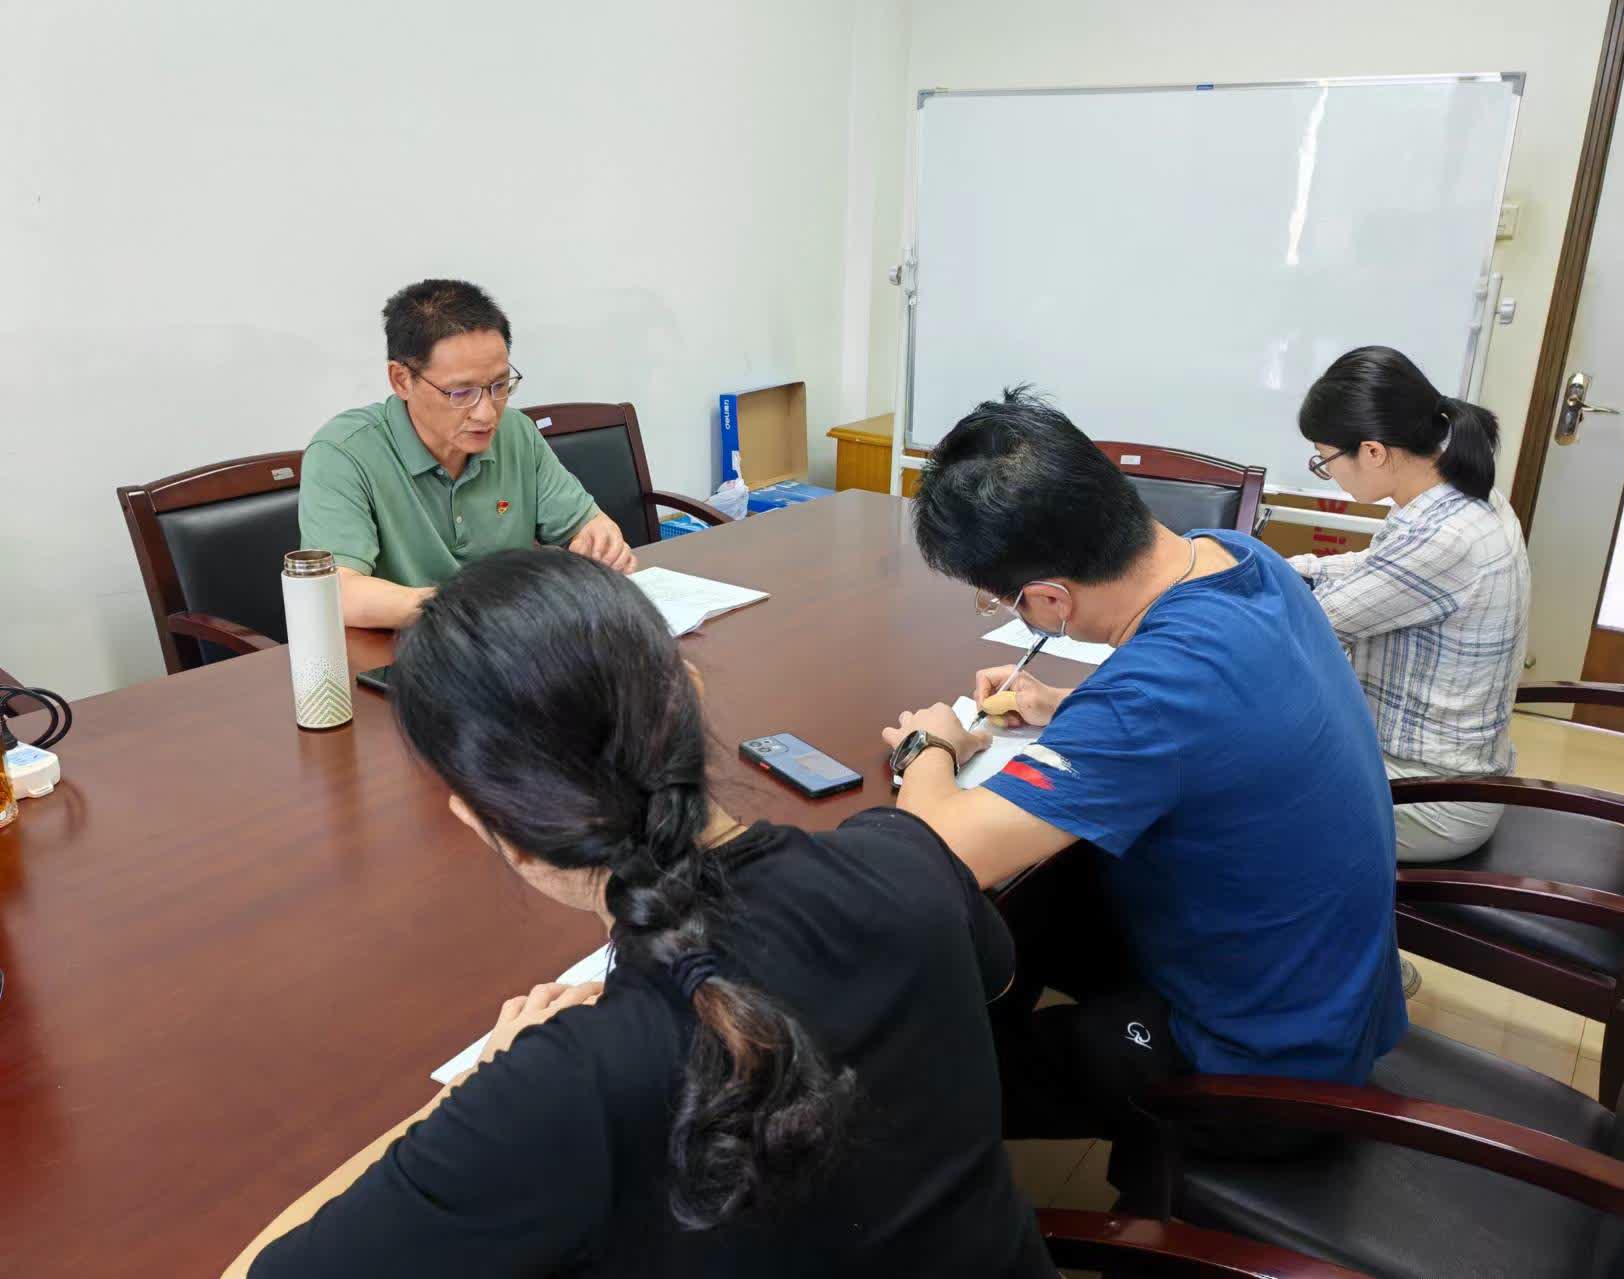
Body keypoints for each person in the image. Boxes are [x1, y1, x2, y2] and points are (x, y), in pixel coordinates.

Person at [226, 550, 1052, 1278]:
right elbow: (996, 975)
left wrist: (467, 1097)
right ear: (690, 693)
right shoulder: (902, 856)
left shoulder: (562, 1087)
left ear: (487, 825)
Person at [880, 388, 1406, 1150]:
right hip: (1327, 990)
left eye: (1005, 603)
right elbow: (1216, 716)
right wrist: (1067, 706)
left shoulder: (1157, 694)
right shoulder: (1239, 558)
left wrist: (927, 744)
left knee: (922, 1093)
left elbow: (942, 845)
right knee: (1035, 913)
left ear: (1050, 599)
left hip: (1262, 1069)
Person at [1289, 346, 1532, 864]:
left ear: (1373, 451)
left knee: (1225, 795)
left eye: (1325, 460)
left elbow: (1307, 627)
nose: (1329, 472)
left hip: (1429, 799)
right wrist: (1282, 568)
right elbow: (1378, 572)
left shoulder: (1445, 537)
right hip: (1421, 769)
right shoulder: (1460, 494)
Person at [298, 279, 636, 630]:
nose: (487, 414)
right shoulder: (343, 453)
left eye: (500, 386)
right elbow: (338, 592)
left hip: (511, 642)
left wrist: (599, 538)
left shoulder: (515, 431)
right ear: (401, 380)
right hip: (404, 649)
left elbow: (583, 522)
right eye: (461, 393)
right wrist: (466, 608)